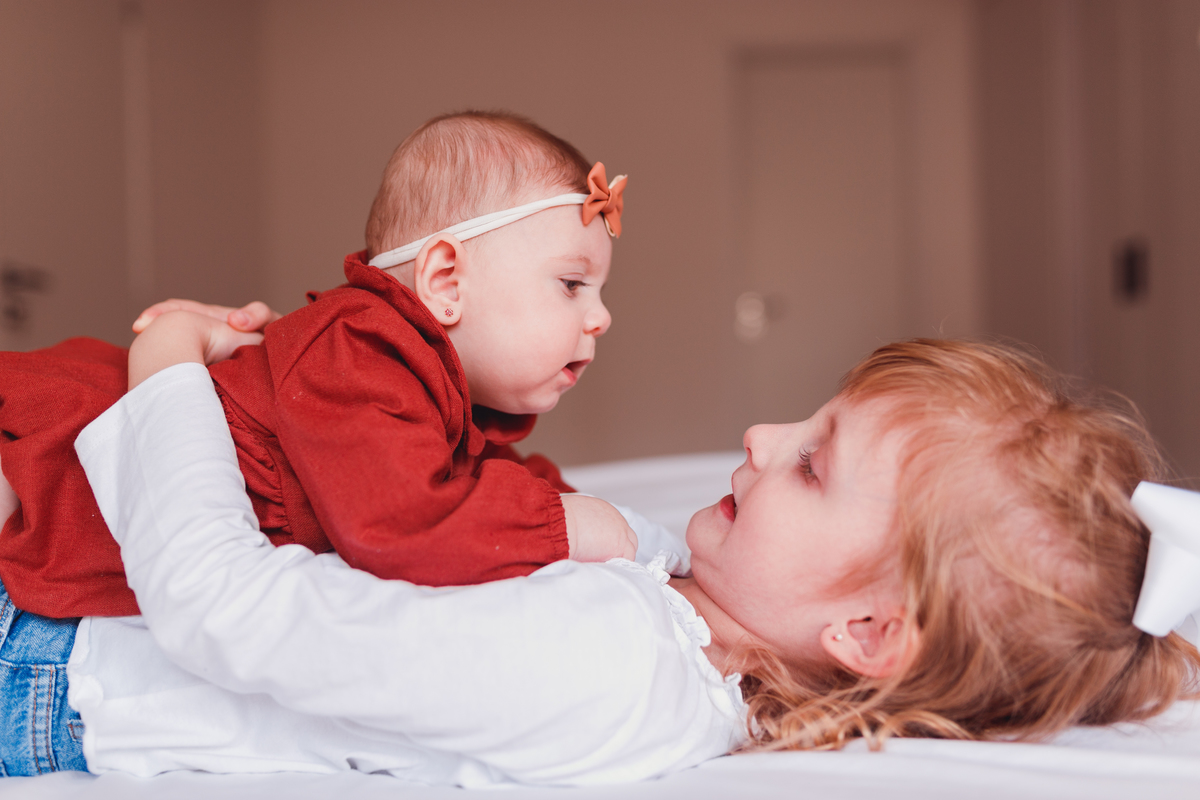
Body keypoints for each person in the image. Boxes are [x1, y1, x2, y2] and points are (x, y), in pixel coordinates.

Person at [3, 322, 1197, 782]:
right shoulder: (687, 619)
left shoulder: (608, 664)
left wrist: (170, 383)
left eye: (813, 464)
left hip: (49, 663)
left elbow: (237, 614)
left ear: (872, 632)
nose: (760, 436)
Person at [0, 111, 637, 619]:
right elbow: (401, 525)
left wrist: (569, 501)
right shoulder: (362, 350)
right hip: (59, 456)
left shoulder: (431, 381)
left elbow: (482, 476)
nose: (600, 317)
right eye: (572, 284)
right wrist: (563, 525)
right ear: (445, 282)